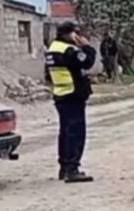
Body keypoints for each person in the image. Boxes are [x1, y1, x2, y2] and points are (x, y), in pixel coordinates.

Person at [44, 21, 97, 183]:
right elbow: (87, 61)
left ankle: (64, 167)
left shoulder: (52, 49)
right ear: (70, 34)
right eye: (76, 33)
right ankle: (72, 169)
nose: (78, 37)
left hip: (61, 94)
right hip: (73, 95)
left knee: (65, 133)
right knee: (75, 133)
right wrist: (87, 47)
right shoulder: (69, 50)